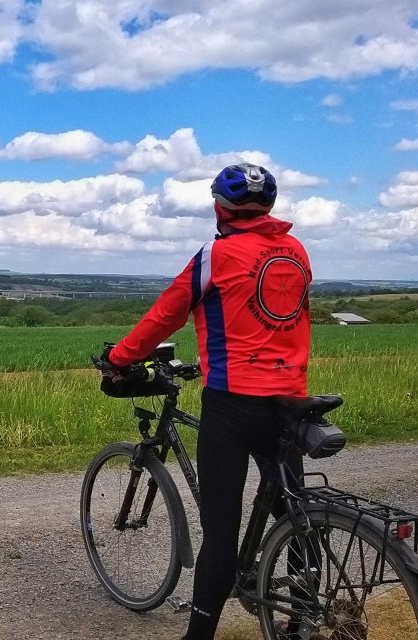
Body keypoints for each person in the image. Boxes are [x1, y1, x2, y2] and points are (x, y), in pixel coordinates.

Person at [102, 163, 312, 640]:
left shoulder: (215, 254)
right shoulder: (296, 251)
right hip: (289, 399)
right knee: (295, 515)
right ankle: (301, 619)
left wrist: (119, 357)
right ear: (269, 208)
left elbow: (165, 314)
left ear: (220, 208)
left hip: (234, 402)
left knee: (221, 534)